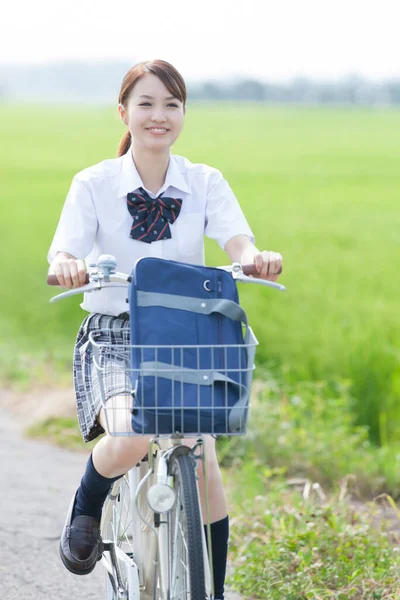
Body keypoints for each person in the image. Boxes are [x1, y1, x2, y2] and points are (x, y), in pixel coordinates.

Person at [48, 59, 283, 599]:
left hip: (184, 331)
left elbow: (238, 244)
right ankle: (88, 503)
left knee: (202, 460)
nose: (159, 115)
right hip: (113, 333)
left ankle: (211, 590)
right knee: (131, 435)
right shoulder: (94, 183)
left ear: (183, 113)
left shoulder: (204, 181)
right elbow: (66, 247)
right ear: (124, 112)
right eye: (147, 104)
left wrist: (255, 258)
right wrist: (67, 263)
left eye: (171, 104)